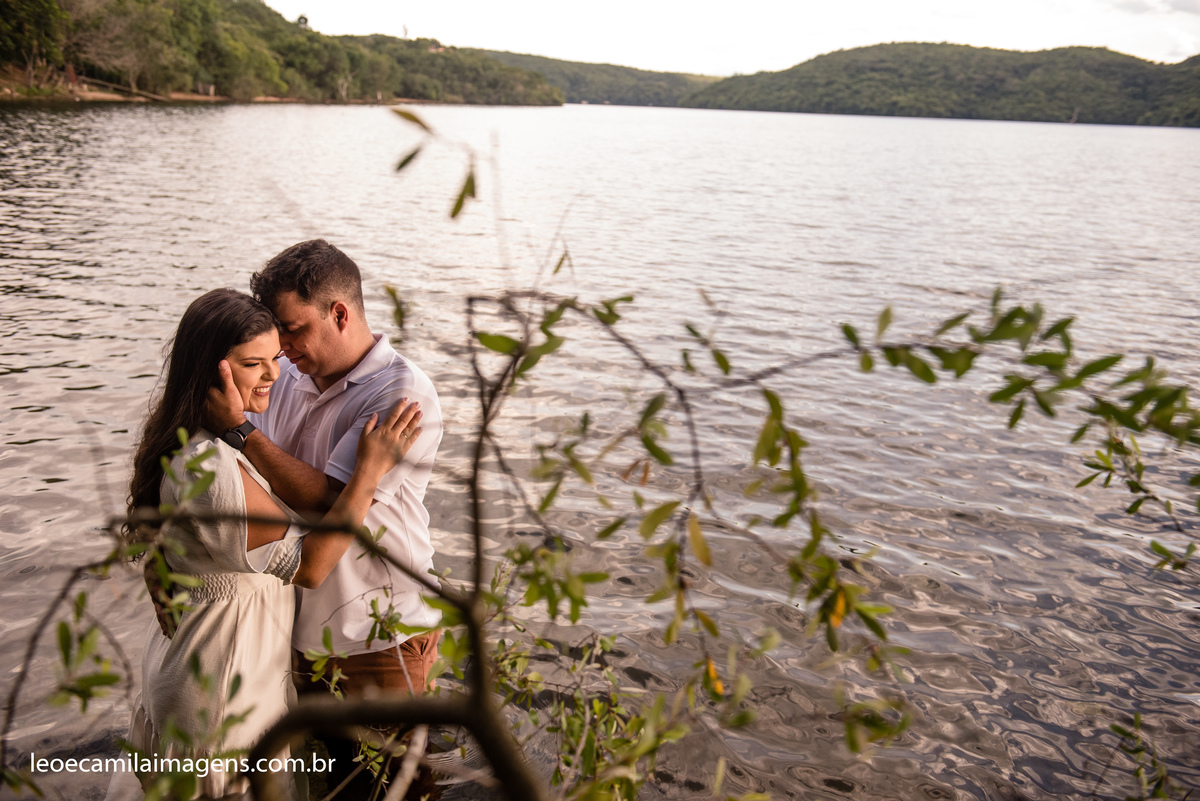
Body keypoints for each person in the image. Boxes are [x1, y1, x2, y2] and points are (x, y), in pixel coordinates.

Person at [116, 288, 423, 800]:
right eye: (253, 363)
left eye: (275, 358)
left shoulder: (187, 438)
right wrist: (368, 471)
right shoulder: (210, 466)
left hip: (206, 658)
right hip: (221, 681)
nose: (275, 375)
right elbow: (312, 565)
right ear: (211, 371)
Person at [201, 240, 444, 793]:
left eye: (292, 331)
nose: (282, 350)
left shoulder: (401, 393)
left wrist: (241, 430)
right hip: (292, 628)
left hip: (375, 638)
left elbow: (330, 501)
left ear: (339, 313)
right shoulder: (286, 372)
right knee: (322, 787)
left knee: (391, 791)